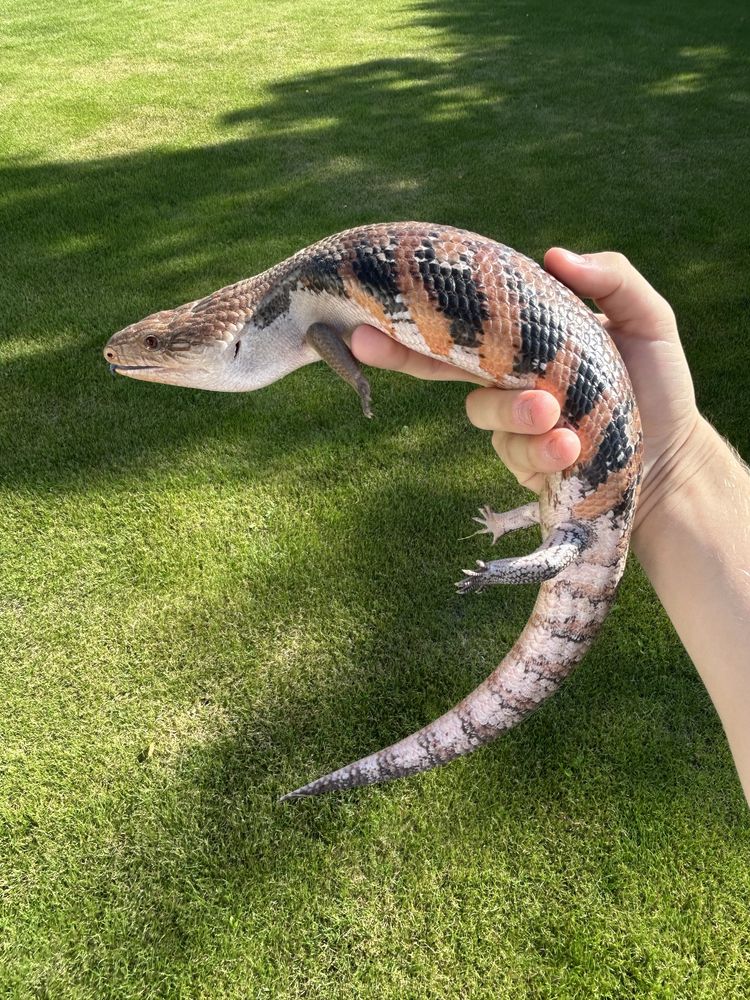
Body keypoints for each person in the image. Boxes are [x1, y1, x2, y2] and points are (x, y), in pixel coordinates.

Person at [350, 248, 750, 804]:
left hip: (591, 496)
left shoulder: (582, 534)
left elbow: (556, 549)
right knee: (559, 540)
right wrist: (675, 457)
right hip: (596, 488)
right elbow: (557, 548)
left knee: (558, 541)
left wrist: (497, 570)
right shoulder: (586, 530)